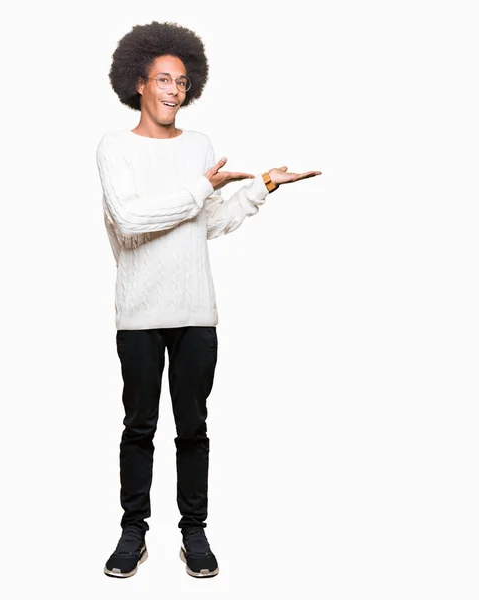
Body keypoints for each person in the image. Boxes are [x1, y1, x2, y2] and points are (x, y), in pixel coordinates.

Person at [96, 20, 321, 579]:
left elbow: (205, 222)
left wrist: (260, 188)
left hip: (197, 312)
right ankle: (133, 532)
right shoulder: (114, 147)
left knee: (193, 428)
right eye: (164, 79)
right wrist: (201, 187)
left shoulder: (200, 147)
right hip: (140, 314)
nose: (176, 89)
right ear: (139, 84)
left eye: (183, 80)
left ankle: (193, 533)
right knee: (139, 428)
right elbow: (130, 220)